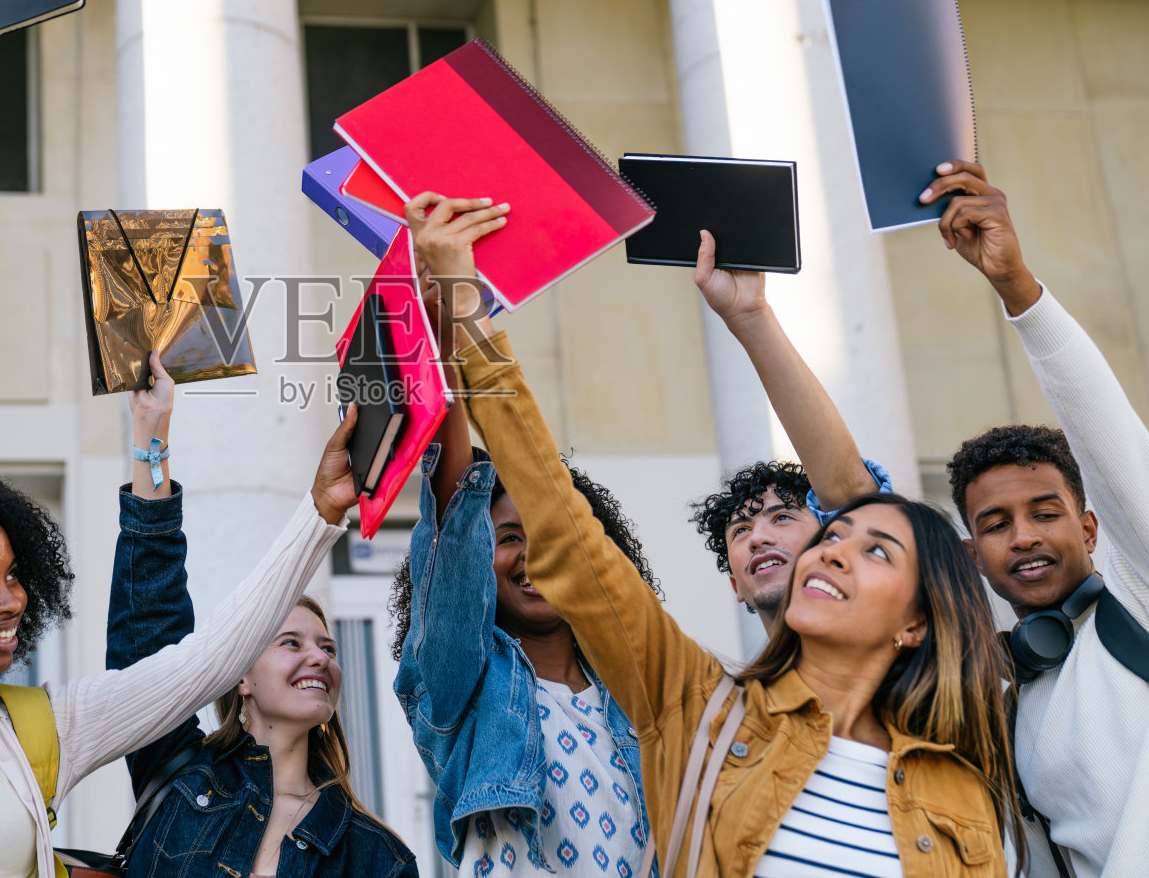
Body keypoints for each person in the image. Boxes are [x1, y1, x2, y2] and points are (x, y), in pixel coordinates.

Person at [410, 191, 1020, 877]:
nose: (834, 550)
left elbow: (850, 485)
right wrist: (463, 311)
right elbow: (562, 521)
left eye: (875, 549)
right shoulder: (694, 705)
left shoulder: (962, 785)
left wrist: (755, 316)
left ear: (916, 622)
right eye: (835, 536)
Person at [0, 353, 362, 878]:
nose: (11, 600)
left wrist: (321, 512)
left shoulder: (46, 727)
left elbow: (206, 662)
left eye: (14, 576)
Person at [387, 271, 662, 874]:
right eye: (509, 539)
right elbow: (456, 525)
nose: (534, 556)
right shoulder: (466, 691)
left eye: (551, 538)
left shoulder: (638, 689)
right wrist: (445, 342)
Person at [923, 159, 1149, 877]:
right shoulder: (1007, 700)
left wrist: (1014, 284)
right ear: (973, 554)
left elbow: (1105, 431)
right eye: (996, 524)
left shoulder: (1136, 593)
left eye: (1045, 512)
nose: (1022, 534)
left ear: (1090, 528)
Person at [106, 366, 417, 878]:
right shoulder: (179, 774)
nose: (319, 656)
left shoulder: (376, 857)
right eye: (290, 642)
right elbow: (148, 628)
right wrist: (151, 432)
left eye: (328, 648)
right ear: (241, 677)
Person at [687, 230, 891, 620]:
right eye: (741, 531)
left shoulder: (896, 667)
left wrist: (749, 316)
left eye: (782, 517)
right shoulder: (722, 684)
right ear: (735, 586)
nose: (759, 538)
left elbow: (849, 495)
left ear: (833, 539)